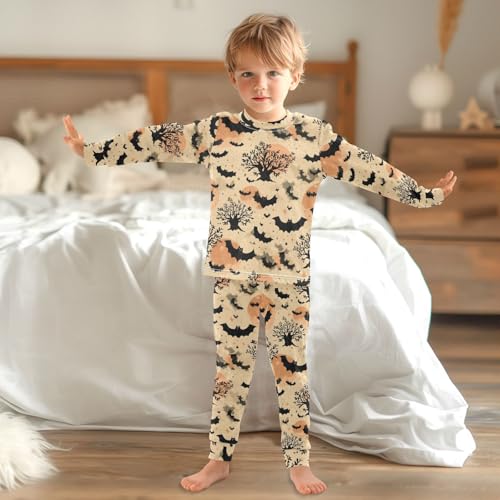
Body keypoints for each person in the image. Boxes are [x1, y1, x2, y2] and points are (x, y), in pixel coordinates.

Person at [63, 13, 457, 496]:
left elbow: (368, 168)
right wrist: (93, 152)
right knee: (229, 374)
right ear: (233, 78)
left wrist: (424, 195)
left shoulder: (314, 137)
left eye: (273, 73)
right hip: (232, 277)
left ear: (295, 76)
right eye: (248, 73)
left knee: (293, 374)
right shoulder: (217, 132)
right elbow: (157, 140)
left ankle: (298, 461)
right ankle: (218, 459)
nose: (260, 84)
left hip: (289, 278)